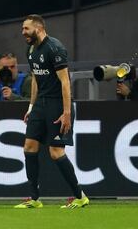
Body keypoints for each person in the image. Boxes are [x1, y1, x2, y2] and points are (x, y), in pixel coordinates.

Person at [14, 14, 89, 209]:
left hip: (57, 104)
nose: (23, 33)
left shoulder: (54, 48)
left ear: (38, 29)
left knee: (56, 152)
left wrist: (67, 113)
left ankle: (80, 196)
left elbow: (65, 82)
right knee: (29, 147)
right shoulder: (30, 49)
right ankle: (34, 199)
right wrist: (31, 107)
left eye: (26, 29)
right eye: (22, 29)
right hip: (40, 104)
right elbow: (36, 80)